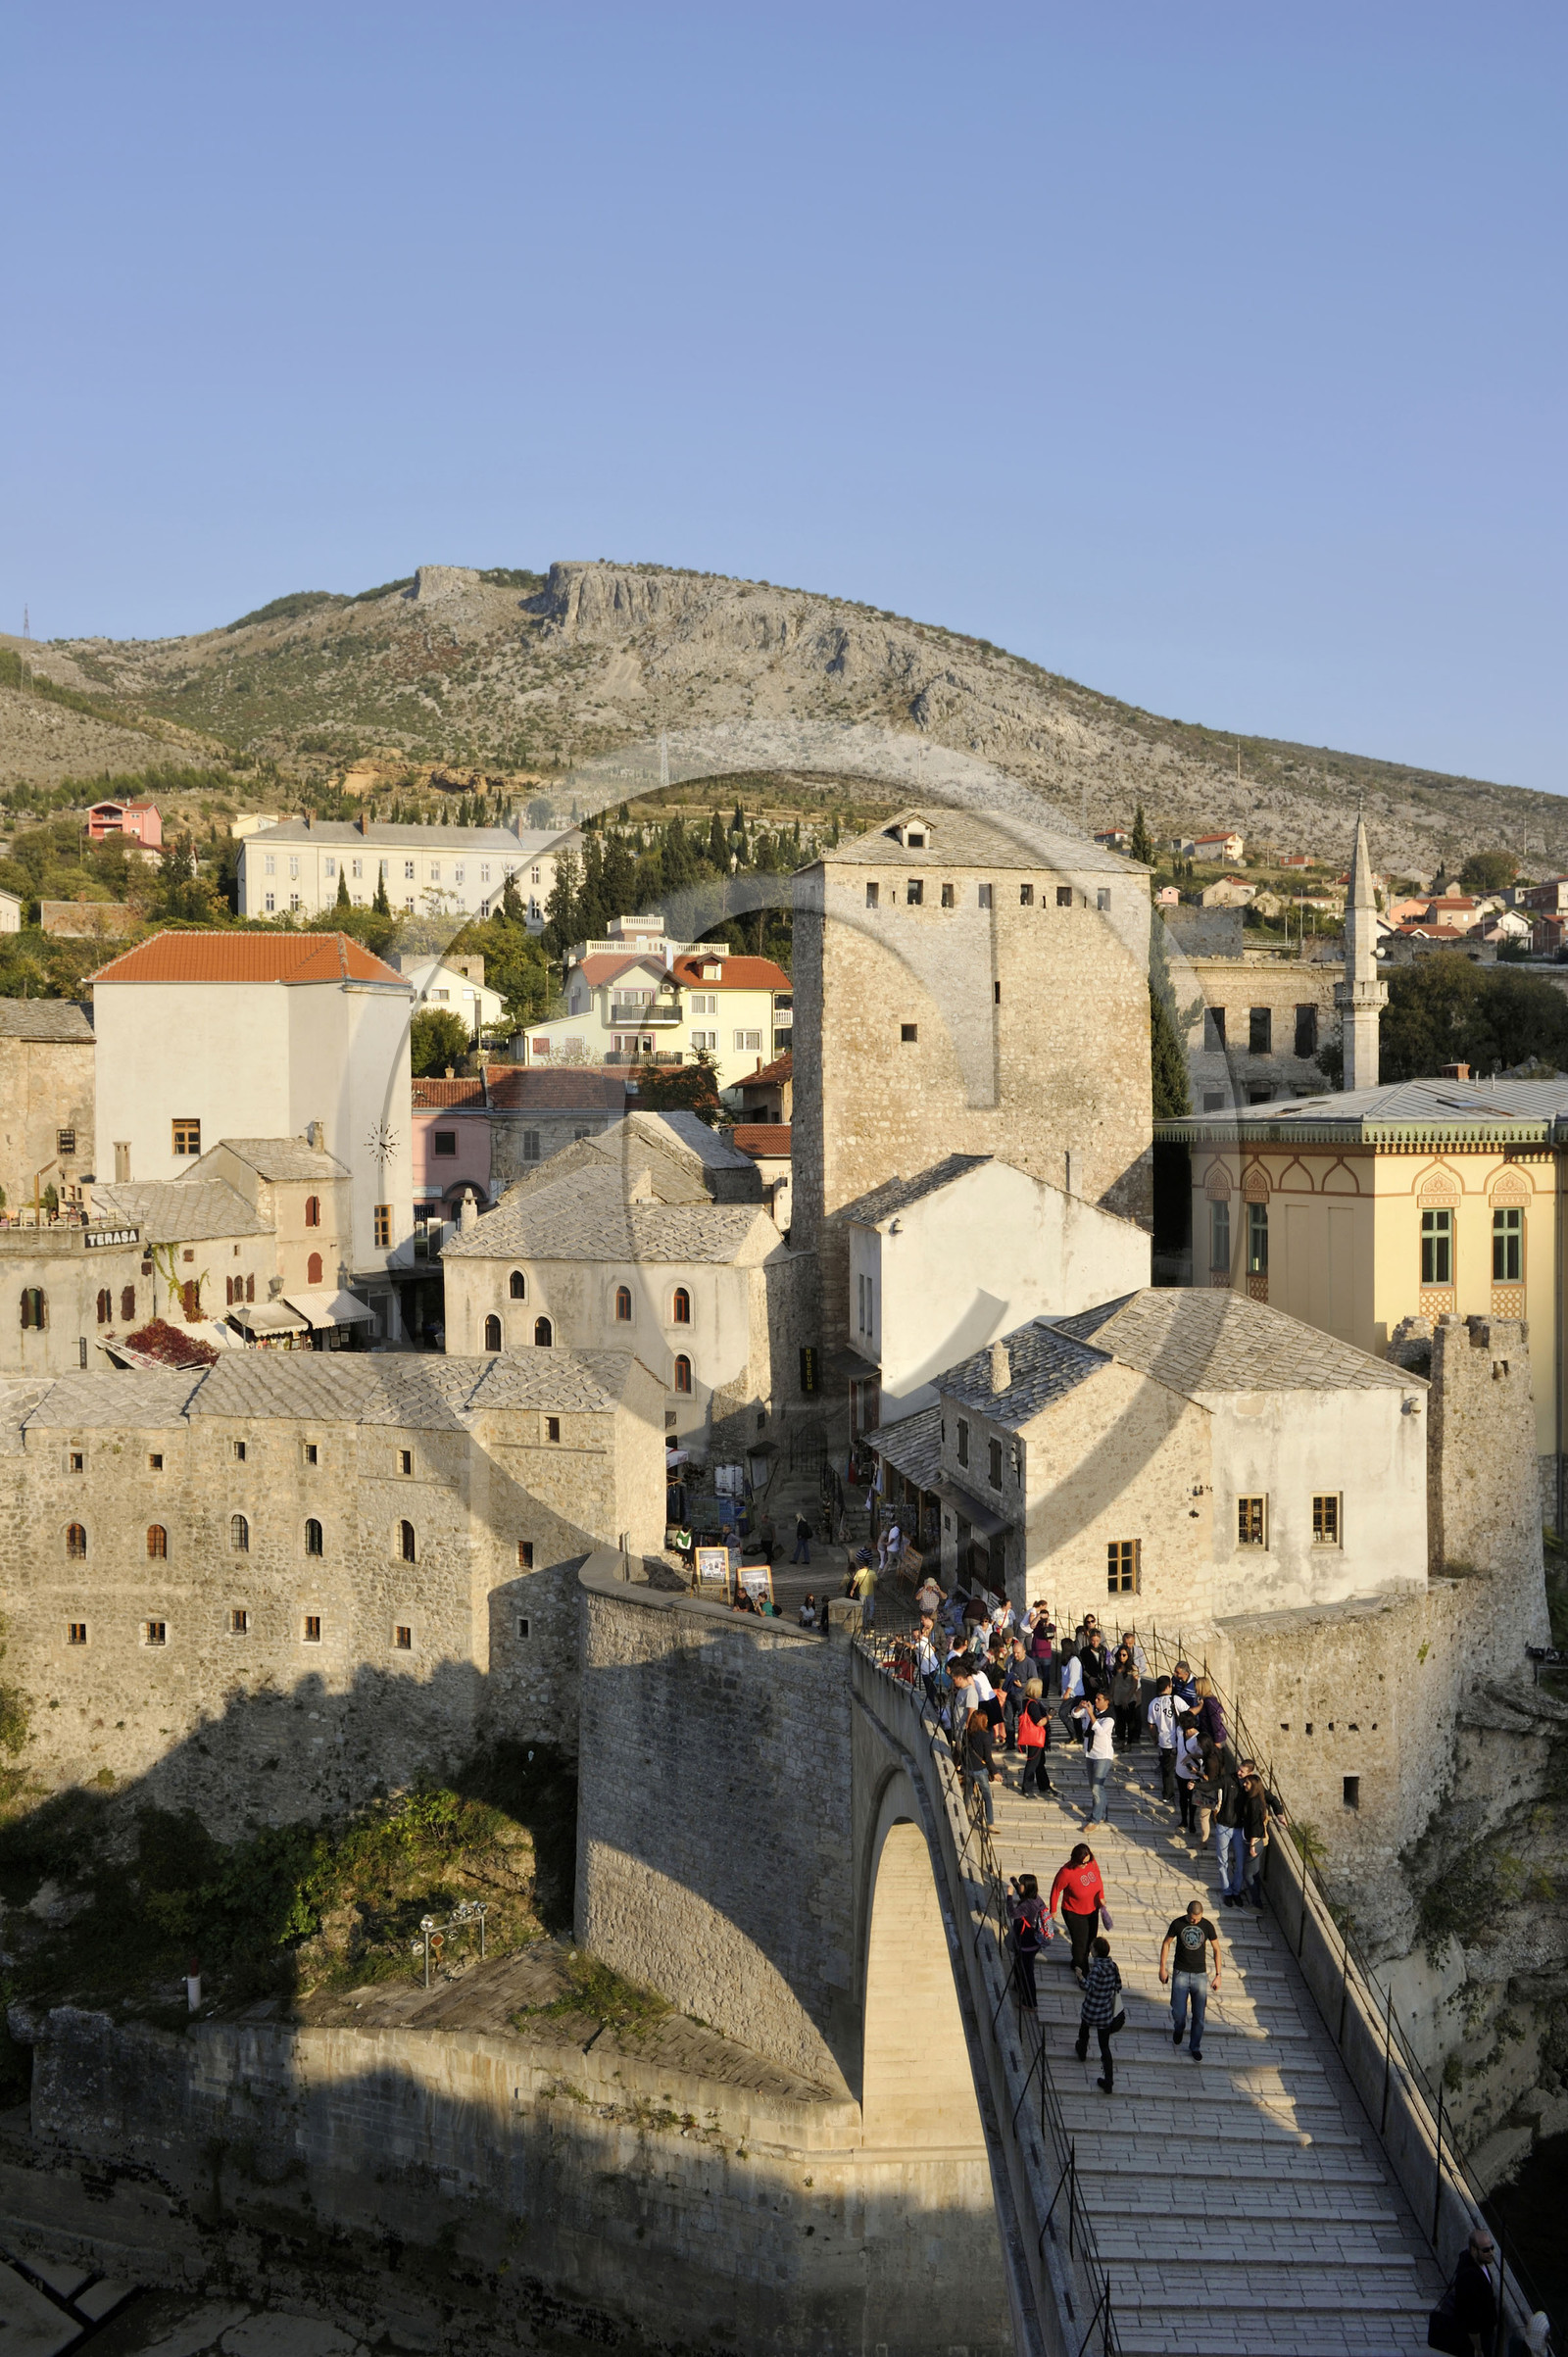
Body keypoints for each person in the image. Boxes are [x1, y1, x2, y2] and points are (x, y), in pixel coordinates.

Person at [1158, 1898, 1221, 2060]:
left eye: (1198, 1919)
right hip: (1181, 1973)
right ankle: (1179, 2028)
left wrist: (1218, 1975)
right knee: (1178, 2011)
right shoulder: (1177, 1924)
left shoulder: (1207, 1926)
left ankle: (1195, 2046)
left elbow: (1216, 1949)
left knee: (1199, 2016)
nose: (1195, 1922)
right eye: (1193, 1919)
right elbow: (1166, 1944)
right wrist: (1162, 1967)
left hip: (1200, 1975)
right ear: (1188, 1913)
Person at [1073, 1936, 1125, 2093]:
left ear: (1095, 1952)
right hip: (1105, 2014)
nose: (1090, 1949)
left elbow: (1088, 1987)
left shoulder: (1096, 1969)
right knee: (1104, 2046)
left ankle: (1082, 2052)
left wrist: (1080, 1976)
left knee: (1084, 2031)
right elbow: (1119, 1985)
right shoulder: (1113, 1966)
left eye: (1092, 1948)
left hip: (1091, 2010)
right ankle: (1108, 2080)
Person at [1049, 1842, 1106, 1984]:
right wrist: (1053, 1910)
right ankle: (1083, 1972)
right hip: (1074, 1912)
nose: (1086, 1865)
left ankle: (1077, 1962)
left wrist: (1101, 1896)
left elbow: (1098, 1878)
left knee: (1090, 1939)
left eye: (1087, 1862)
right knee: (1080, 1942)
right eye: (1082, 1863)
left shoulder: (1092, 1862)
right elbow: (1056, 1890)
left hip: (1092, 1909)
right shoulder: (1066, 1872)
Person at [1006, 1872, 1050, 2010]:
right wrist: (1015, 1883)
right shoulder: (1036, 1899)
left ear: (1028, 1887)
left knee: (1027, 1973)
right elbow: (1023, 1894)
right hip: (1034, 1941)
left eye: (1022, 1884)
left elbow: (1012, 1913)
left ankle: (1030, 2003)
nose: (1020, 1887)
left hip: (1027, 1942)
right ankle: (1018, 1987)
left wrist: (1009, 1896)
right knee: (1020, 1965)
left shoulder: (1027, 1905)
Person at [1075, 1691, 1117, 1824]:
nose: (1096, 1701)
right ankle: (1103, 1813)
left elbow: (1099, 1731)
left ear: (1107, 1702)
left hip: (1102, 1756)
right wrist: (1080, 1707)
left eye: (1099, 1699)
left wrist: (1091, 1715)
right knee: (1095, 1787)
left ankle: (1095, 1818)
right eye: (1096, 1698)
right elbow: (1075, 1714)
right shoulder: (1091, 1711)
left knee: (1096, 1788)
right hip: (1090, 1753)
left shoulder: (1109, 1718)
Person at [1213, 1749, 1248, 1905]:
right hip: (1223, 1826)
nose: (1238, 1772)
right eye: (1239, 1769)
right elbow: (1213, 1784)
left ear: (1249, 1773)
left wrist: (1279, 1811)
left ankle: (1236, 1891)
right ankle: (1227, 1891)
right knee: (1223, 1862)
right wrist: (1197, 1786)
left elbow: (1266, 1797)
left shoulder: (1251, 1785)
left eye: (1242, 1770)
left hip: (1239, 1829)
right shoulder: (1229, 1779)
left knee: (1240, 1863)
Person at [1237, 1761, 1270, 1905]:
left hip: (1254, 1843)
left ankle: (1257, 1903)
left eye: (1247, 1784)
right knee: (1255, 1873)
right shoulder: (1255, 1800)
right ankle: (1256, 1896)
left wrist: (1252, 1845)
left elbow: (1256, 1825)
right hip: (1256, 1842)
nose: (1245, 1785)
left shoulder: (1254, 1803)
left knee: (1248, 1874)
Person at [962, 1707, 998, 1829]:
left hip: (968, 1767)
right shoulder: (985, 1736)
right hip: (980, 1770)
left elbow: (963, 1751)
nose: (987, 1721)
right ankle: (990, 1822)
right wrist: (995, 1772)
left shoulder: (966, 1733)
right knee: (987, 1795)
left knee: (967, 1793)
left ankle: (963, 1814)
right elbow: (988, 1757)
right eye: (986, 1719)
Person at [1147, 1676, 1181, 1801]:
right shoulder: (1175, 1699)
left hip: (1163, 1742)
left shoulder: (1153, 1703)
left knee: (1167, 1769)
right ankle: (1174, 1794)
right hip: (1177, 1740)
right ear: (1168, 1687)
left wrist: (1154, 1738)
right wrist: (1200, 1706)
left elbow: (1151, 1725)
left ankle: (1168, 1793)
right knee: (1179, 1768)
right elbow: (1189, 1713)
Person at [1017, 1683, 1054, 1796]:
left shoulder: (1028, 1701)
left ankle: (1044, 1786)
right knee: (1033, 1762)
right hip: (1035, 1737)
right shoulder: (1032, 1704)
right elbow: (1039, 1722)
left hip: (1037, 1737)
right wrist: (1049, 1716)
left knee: (1039, 1762)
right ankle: (1027, 1788)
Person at [1173, 1719, 1203, 1839]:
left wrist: (1191, 1755)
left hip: (1192, 1773)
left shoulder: (1198, 1737)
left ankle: (1191, 1822)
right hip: (1180, 1771)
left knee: (1192, 1799)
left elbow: (1203, 1753)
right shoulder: (1180, 1731)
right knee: (1182, 1797)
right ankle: (1183, 1820)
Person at [1109, 1645, 1142, 1747]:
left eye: (1124, 1655)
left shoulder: (1133, 1668)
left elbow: (1134, 1684)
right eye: (1120, 1655)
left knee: (1130, 1721)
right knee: (1119, 1721)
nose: (1122, 1657)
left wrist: (1127, 1697)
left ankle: (1129, 1742)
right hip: (1117, 1697)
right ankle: (1121, 1740)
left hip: (1129, 1698)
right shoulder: (1116, 1667)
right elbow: (1114, 1682)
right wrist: (1110, 1695)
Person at [852, 1555, 877, 1628]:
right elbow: (876, 1583)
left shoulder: (859, 1572)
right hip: (871, 1592)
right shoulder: (872, 1572)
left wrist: (852, 1590)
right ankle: (870, 1618)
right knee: (871, 1606)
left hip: (862, 1593)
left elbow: (855, 1582)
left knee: (864, 1607)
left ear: (862, 1564)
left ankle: (864, 1622)